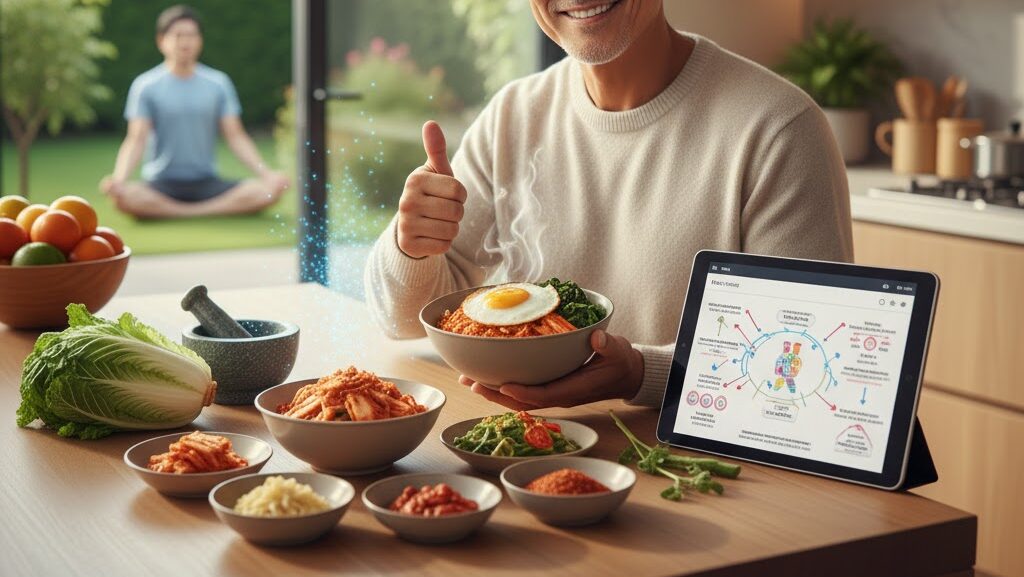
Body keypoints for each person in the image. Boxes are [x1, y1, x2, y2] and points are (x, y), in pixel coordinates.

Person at [364, 0, 853, 410]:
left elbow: (799, 365)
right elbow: (403, 320)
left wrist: (643, 373)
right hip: (533, 455)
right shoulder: (512, 116)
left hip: (697, 466)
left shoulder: (777, 129)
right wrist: (412, 247)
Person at [100, 5, 288, 218]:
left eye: (191, 35)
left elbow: (236, 136)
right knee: (127, 197)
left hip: (207, 182)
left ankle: (179, 212)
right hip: (161, 184)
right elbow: (136, 139)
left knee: (265, 192)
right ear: (161, 41)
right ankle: (206, 211)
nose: (185, 42)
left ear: (200, 40)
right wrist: (119, 180)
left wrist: (267, 174)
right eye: (178, 35)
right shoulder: (145, 86)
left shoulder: (218, 83)